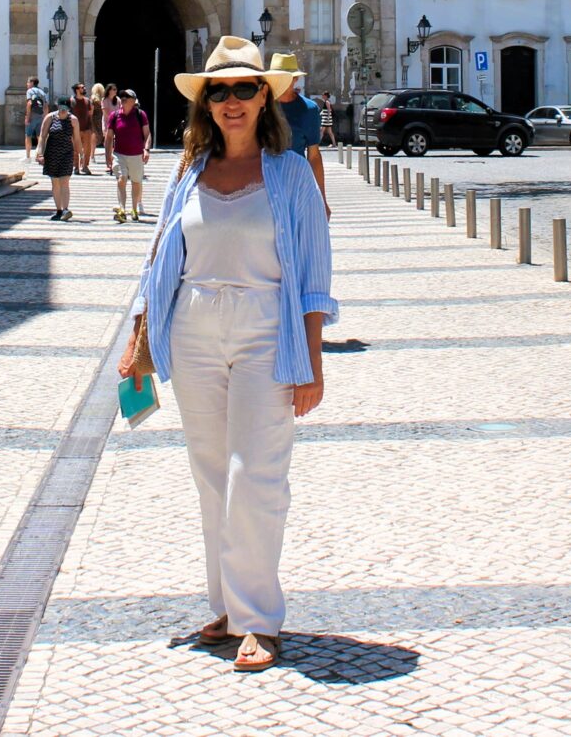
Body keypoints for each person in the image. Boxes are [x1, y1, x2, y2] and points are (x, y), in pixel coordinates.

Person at [117, 35, 334, 673]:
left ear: (263, 97)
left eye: (244, 88)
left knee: (256, 473)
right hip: (193, 332)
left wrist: (313, 362)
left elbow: (316, 276)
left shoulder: (291, 173)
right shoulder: (188, 172)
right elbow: (158, 257)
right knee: (211, 473)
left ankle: (260, 620)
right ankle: (229, 608)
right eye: (219, 91)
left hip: (267, 329)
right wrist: (140, 341)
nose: (232, 101)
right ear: (206, 103)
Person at [270, 53, 329, 218]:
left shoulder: (309, 110)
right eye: (277, 77)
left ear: (295, 79)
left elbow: (314, 156)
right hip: (265, 184)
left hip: (296, 183)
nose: (281, 82)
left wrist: (322, 199)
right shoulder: (261, 106)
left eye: (286, 77)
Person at [107, 87, 152, 222]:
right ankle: (122, 209)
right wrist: (107, 155)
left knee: (136, 182)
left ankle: (134, 209)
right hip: (119, 154)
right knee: (122, 178)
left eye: (127, 97)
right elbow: (109, 137)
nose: (124, 98)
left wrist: (146, 149)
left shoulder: (140, 114)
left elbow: (147, 134)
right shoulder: (114, 116)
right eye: (123, 96)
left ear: (133, 101)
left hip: (136, 155)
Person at [38, 97, 77, 219]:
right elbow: (42, 137)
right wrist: (40, 154)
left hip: (67, 153)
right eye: (61, 108)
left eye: (66, 108)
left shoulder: (73, 120)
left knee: (65, 182)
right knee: (55, 183)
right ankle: (59, 210)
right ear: (57, 107)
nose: (63, 110)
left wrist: (80, 155)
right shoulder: (50, 118)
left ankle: (65, 209)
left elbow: (77, 139)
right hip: (52, 153)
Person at [23, 77, 48, 164]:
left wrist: (28, 117)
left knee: (28, 135)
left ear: (32, 82)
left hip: (32, 116)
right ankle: (39, 156)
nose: (27, 84)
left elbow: (29, 103)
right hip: (41, 116)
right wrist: (46, 117)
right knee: (40, 136)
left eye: (28, 82)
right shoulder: (42, 92)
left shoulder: (30, 91)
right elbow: (45, 105)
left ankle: (28, 157)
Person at [71, 84, 94, 175]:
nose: (84, 88)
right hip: (75, 129)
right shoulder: (72, 101)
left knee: (87, 148)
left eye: (84, 87)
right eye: (82, 87)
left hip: (86, 128)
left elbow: (90, 114)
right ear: (77, 90)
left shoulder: (87, 101)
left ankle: (85, 166)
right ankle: (76, 167)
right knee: (75, 148)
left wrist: (91, 127)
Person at [102, 83, 119, 174]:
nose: (115, 91)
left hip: (117, 123)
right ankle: (108, 164)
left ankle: (114, 162)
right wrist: (113, 120)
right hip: (107, 123)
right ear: (109, 90)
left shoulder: (118, 100)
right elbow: (106, 114)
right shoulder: (105, 100)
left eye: (116, 89)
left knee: (115, 144)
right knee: (108, 144)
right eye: (114, 89)